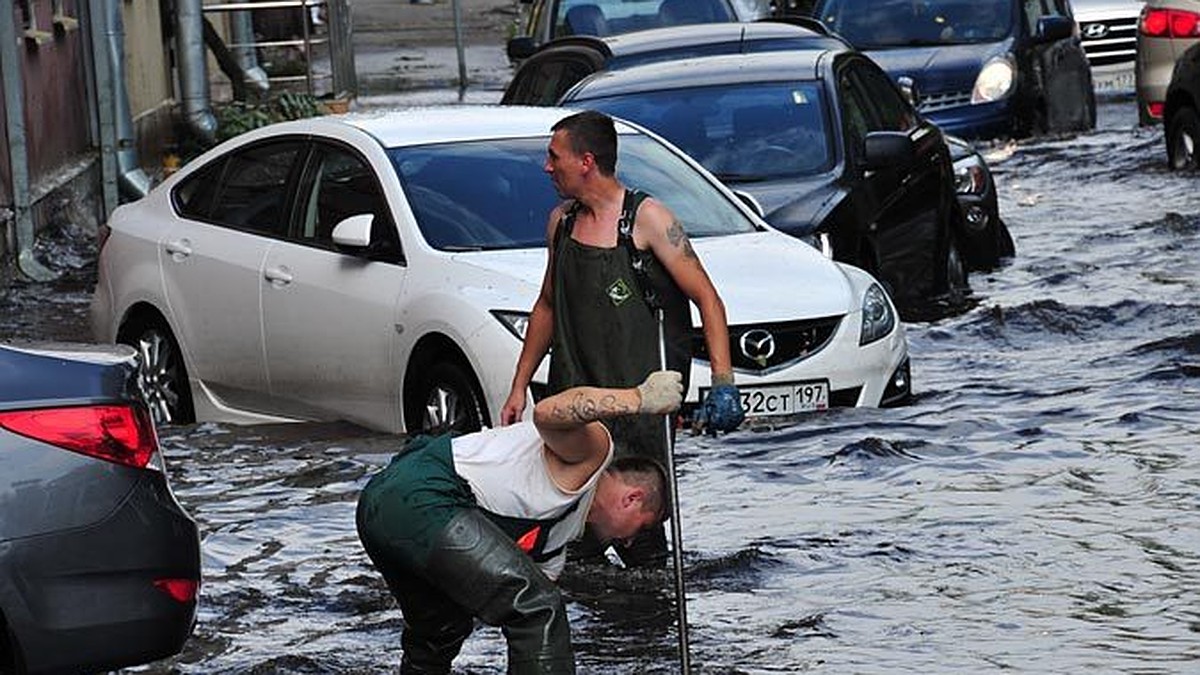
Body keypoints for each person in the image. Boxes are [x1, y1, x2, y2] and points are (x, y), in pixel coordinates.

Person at [498, 110, 743, 566]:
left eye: (555, 157)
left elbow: (708, 299)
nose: (547, 167)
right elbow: (547, 306)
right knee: (574, 539)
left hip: (642, 412)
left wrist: (724, 383)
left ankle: (646, 626)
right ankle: (589, 626)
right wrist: (518, 386)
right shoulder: (562, 223)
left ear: (586, 161)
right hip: (579, 407)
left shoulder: (648, 220)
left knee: (641, 538)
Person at [356, 370, 683, 674]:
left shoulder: (554, 545)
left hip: (382, 510)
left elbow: (520, 609)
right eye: (643, 528)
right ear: (632, 498)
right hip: (421, 493)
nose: (628, 543)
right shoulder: (594, 453)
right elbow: (548, 412)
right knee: (537, 607)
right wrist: (638, 399)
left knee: (441, 631)